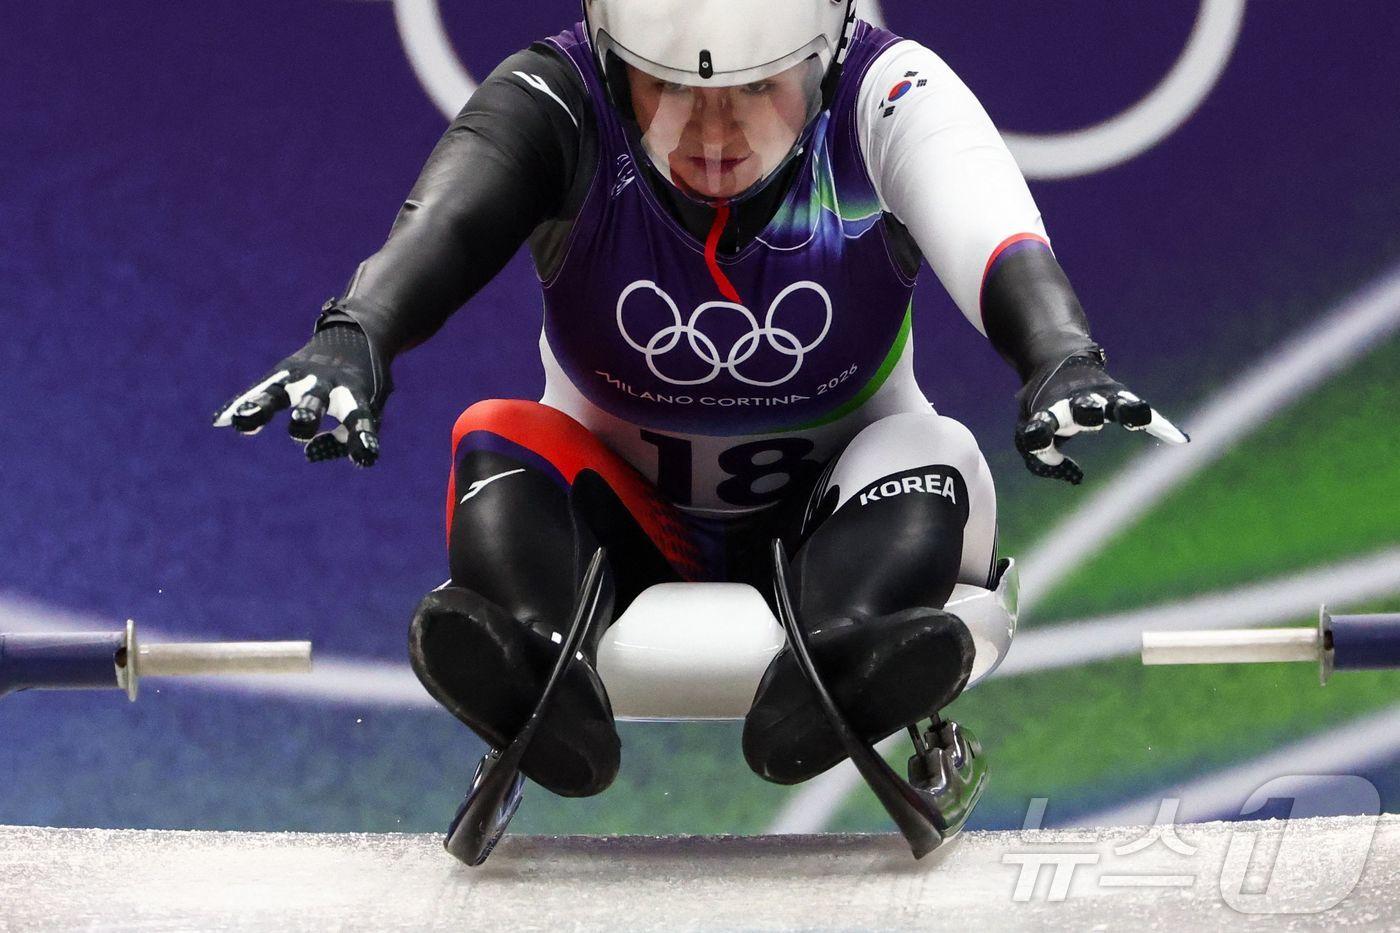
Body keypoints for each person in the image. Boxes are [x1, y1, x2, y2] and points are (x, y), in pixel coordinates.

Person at [214, 1, 1187, 800]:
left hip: (839, 529)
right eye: (673, 89)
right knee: (492, 439)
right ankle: (539, 675)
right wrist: (357, 335)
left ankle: (841, 656)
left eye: (756, 91)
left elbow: (982, 210)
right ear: (609, 59)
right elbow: (448, 219)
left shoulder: (886, 88)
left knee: (932, 453)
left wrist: (1057, 352)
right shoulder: (557, 93)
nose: (714, 135)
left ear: (822, 60)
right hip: (622, 530)